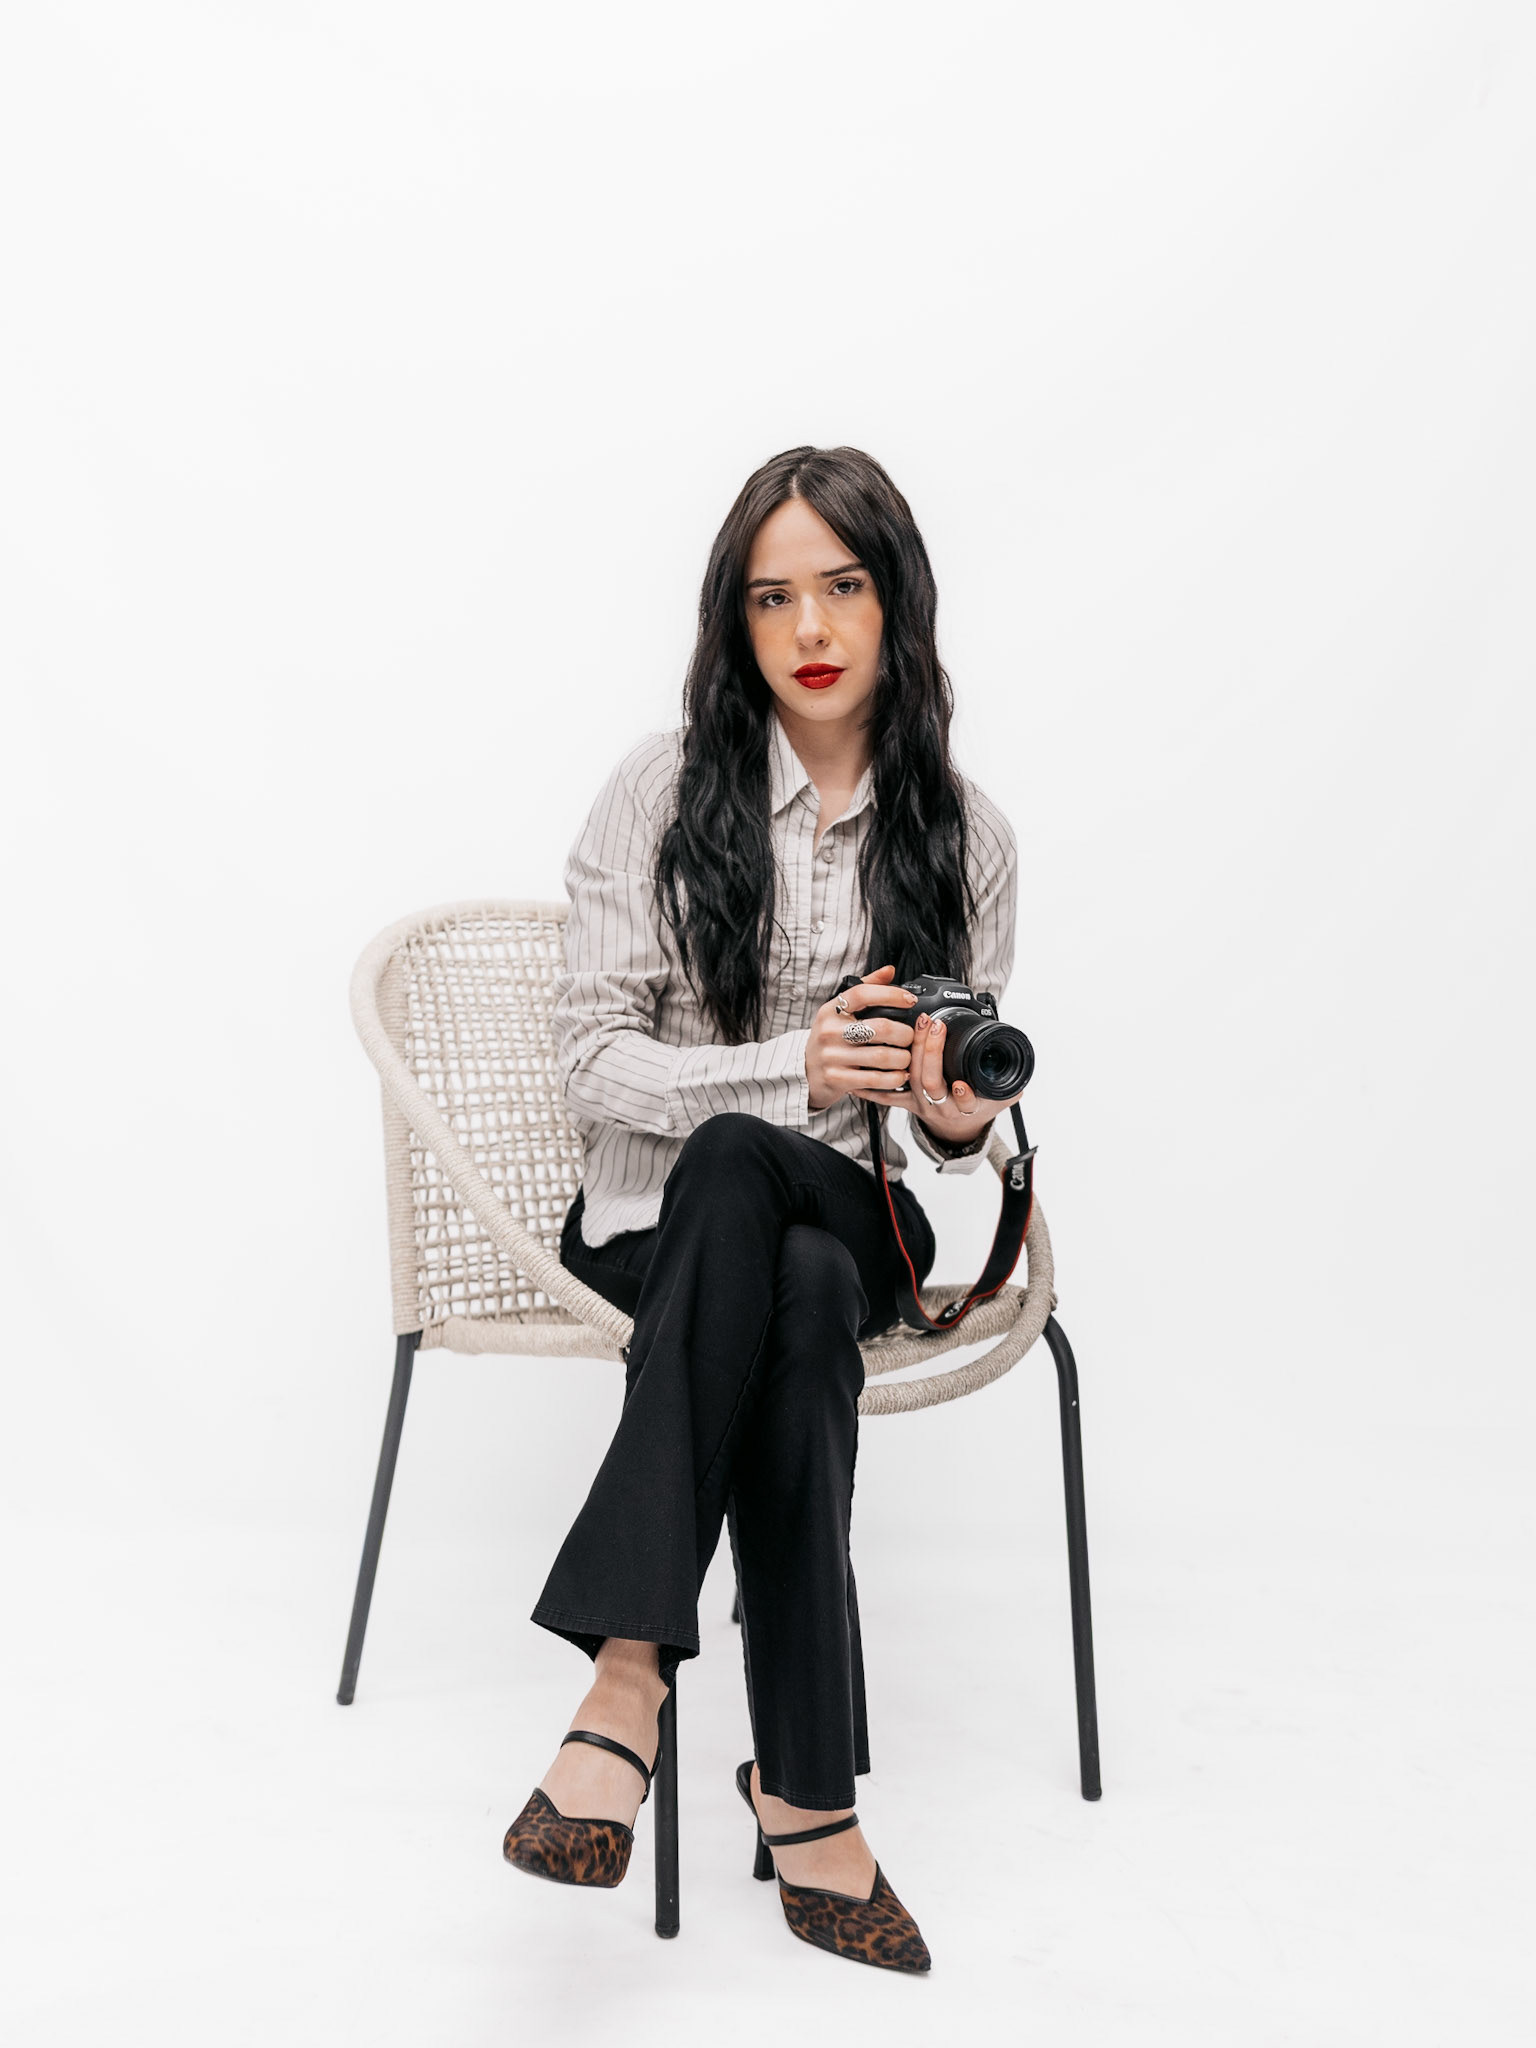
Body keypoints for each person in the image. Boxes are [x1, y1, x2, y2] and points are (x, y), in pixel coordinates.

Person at [502, 445, 1024, 1973]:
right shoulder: (661, 790)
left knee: (774, 1196)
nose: (810, 628)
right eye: (772, 595)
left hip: (861, 1207)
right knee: (778, 1260)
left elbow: (943, 1139)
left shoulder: (968, 833)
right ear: (732, 620)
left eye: (842, 587)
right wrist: (786, 1065)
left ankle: (626, 1677)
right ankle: (807, 1797)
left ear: (896, 601)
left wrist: (952, 1115)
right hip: (657, 1227)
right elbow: (589, 1063)